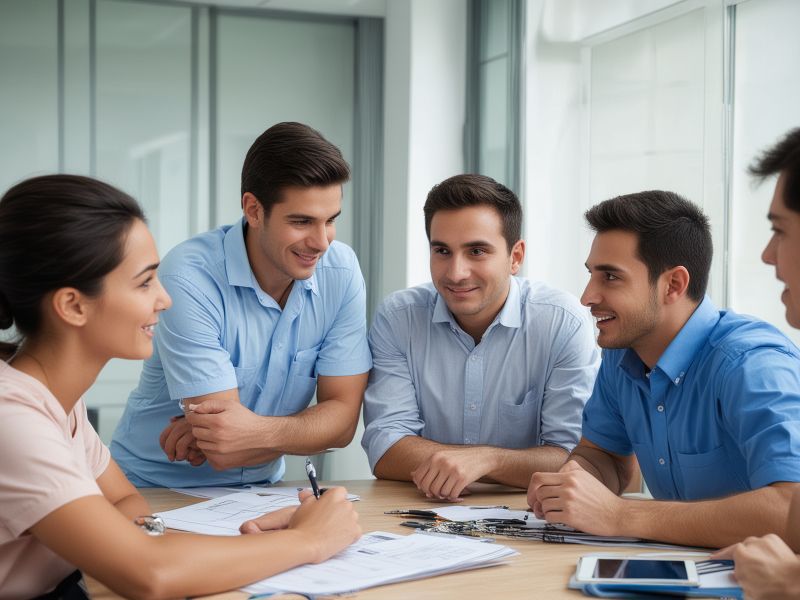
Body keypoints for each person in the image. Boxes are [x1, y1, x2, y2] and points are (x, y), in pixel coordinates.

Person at [0, 175, 360, 599]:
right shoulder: (13, 416)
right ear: (73, 305)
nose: (165, 299)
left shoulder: (56, 400)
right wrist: (310, 539)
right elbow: (151, 575)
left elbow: (126, 503)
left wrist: (139, 549)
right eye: (144, 282)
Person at [527, 190, 800, 548]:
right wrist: (572, 484)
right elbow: (604, 455)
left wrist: (620, 515)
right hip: (677, 564)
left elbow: (790, 507)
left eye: (610, 277)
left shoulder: (752, 365)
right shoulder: (622, 354)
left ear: (673, 285)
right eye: (592, 274)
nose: (587, 296)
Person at [111, 122, 372, 487]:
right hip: (153, 487)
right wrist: (305, 428)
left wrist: (250, 432)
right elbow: (224, 447)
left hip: (260, 491)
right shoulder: (189, 277)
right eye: (301, 221)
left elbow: (342, 425)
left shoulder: (340, 272)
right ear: (253, 209)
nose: (321, 242)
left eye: (330, 221)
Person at [361, 174, 600, 501]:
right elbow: (386, 447)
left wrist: (488, 459)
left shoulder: (563, 322)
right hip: (424, 513)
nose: (456, 273)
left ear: (515, 257)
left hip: (529, 513)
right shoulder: (398, 318)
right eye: (442, 251)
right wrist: (504, 465)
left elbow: (574, 458)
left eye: (476, 251)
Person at [712, 128, 800, 598]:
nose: (768, 256)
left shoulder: (754, 363)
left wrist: (789, 583)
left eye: (779, 230)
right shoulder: (620, 359)